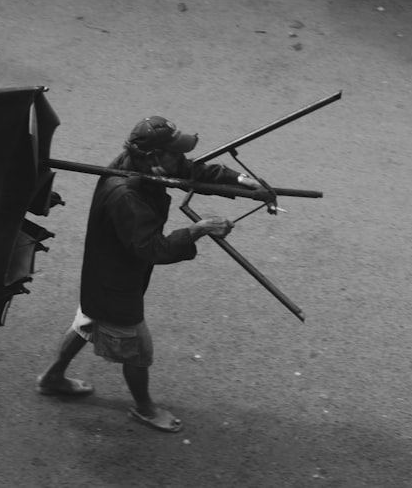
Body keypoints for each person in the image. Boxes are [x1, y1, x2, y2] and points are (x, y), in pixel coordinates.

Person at [37, 115, 260, 433]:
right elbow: (153, 249)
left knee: (87, 321)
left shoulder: (143, 162)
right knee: (139, 351)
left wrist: (239, 180)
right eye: (174, 152)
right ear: (155, 157)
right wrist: (199, 229)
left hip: (107, 274)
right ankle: (144, 408)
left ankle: (52, 377)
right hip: (115, 284)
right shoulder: (125, 195)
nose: (181, 158)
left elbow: (188, 170)